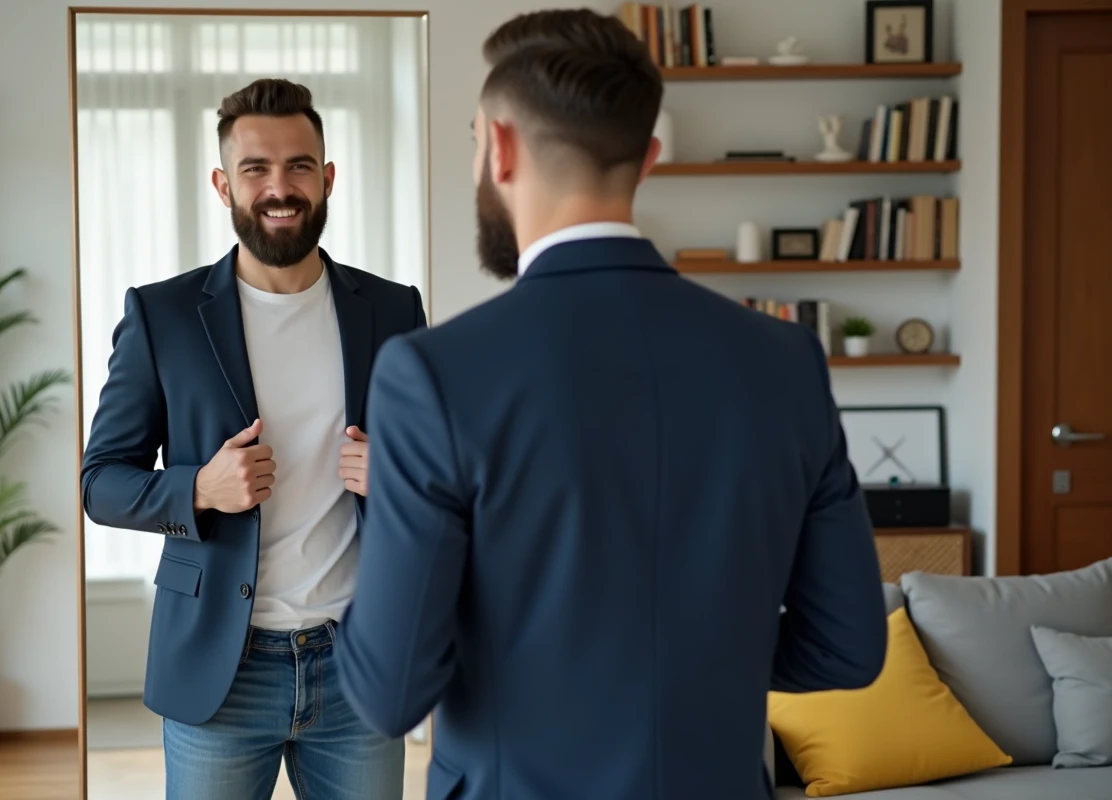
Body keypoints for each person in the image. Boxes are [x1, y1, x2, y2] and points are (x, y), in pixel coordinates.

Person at [336, 10, 888, 800]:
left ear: (499, 147)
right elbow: (848, 647)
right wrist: (697, 650)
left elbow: (387, 694)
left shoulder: (432, 374)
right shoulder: (785, 360)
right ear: (649, 158)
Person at [80, 78, 425, 800]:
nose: (280, 187)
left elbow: (434, 473)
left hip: (359, 663)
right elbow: (101, 481)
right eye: (255, 169)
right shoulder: (162, 316)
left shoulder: (394, 310)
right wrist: (198, 488)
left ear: (327, 178)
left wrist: (396, 475)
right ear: (222, 184)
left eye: (300, 166)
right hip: (220, 669)